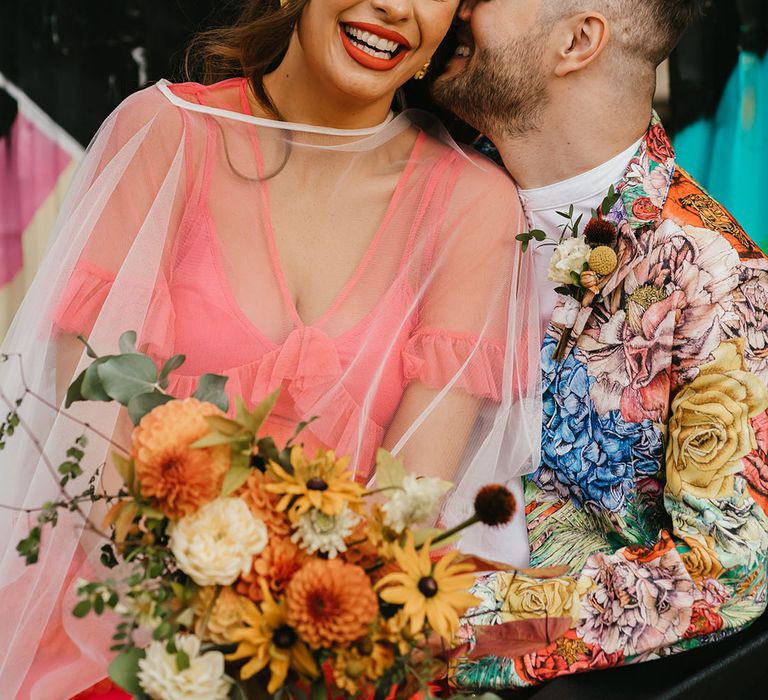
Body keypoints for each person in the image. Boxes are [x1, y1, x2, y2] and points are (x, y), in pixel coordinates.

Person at [0, 1, 542, 698]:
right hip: (123, 631)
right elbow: (90, 448)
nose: (395, 6)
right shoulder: (165, 135)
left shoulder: (476, 206)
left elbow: (404, 507)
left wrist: (287, 654)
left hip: (326, 650)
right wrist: (201, 643)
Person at [432, 0, 768, 690]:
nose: (459, 7)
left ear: (578, 40)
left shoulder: (717, 277)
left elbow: (725, 573)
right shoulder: (421, 181)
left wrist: (452, 626)